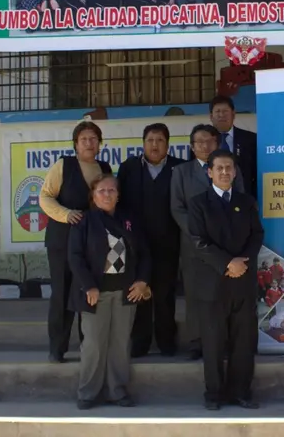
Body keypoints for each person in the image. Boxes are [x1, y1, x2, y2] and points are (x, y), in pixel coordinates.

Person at [186, 149, 264, 410]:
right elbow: (198, 241)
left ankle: (241, 392)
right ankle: (214, 394)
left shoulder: (247, 201)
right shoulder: (198, 203)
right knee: (214, 343)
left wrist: (242, 262)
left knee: (243, 342)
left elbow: (256, 235)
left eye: (229, 167)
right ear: (209, 172)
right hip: (212, 283)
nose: (224, 172)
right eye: (219, 168)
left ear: (235, 171)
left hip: (242, 282)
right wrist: (227, 263)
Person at [68, 174, 151, 409]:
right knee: (94, 344)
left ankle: (118, 391)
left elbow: (144, 253)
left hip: (126, 293)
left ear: (118, 195)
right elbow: (75, 257)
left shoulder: (130, 220)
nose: (107, 194)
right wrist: (89, 285)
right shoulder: (84, 221)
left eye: (111, 190)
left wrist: (142, 281)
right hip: (95, 294)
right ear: (93, 196)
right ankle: (87, 393)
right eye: (101, 191)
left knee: (120, 344)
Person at [39, 121, 113, 363]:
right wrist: (65, 214)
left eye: (93, 139)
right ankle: (57, 348)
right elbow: (45, 197)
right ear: (76, 144)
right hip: (62, 239)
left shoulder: (104, 168)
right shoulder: (64, 165)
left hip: (91, 243)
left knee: (88, 291)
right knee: (61, 293)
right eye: (84, 139)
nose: (89, 143)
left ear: (100, 144)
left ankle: (87, 346)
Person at [171, 124, 246, 360]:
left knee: (225, 295)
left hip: (227, 247)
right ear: (192, 147)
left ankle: (224, 342)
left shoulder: (231, 169)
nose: (205, 146)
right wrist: (200, 233)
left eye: (209, 141)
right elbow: (177, 208)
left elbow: (240, 201)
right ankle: (196, 341)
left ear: (217, 143)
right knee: (196, 295)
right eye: (199, 142)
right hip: (194, 246)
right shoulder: (181, 172)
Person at [118, 123, 186, 357]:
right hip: (136, 244)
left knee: (165, 294)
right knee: (139, 292)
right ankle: (140, 342)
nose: (154, 145)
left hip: (169, 243)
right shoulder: (129, 168)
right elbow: (120, 203)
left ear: (168, 144)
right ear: (143, 143)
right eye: (150, 140)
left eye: (160, 140)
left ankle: (167, 341)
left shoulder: (179, 168)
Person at [209, 95, 258, 198]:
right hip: (210, 200)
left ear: (233, 114)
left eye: (225, 111)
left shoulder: (251, 139)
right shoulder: (203, 142)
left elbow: (256, 173)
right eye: (217, 111)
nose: (221, 115)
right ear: (211, 116)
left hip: (244, 198)